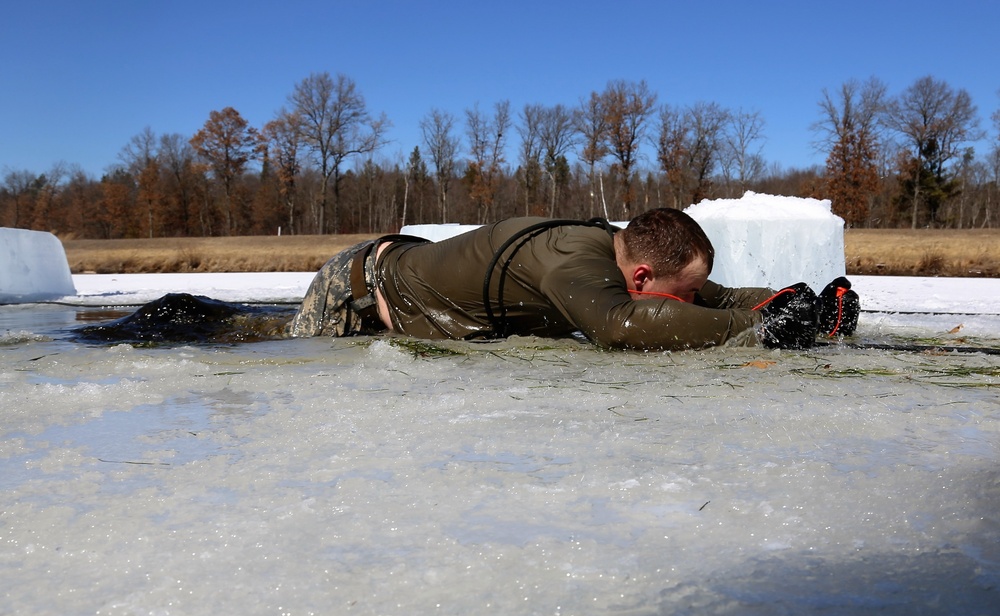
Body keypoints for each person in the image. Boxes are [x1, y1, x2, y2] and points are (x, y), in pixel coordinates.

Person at [286, 207, 859, 351]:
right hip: (360, 289)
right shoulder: (574, 264)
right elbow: (618, 325)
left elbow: (717, 296)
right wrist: (757, 330)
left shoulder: (623, 253)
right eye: (681, 290)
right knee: (259, 339)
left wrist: (798, 304)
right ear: (640, 275)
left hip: (415, 268)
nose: (692, 300)